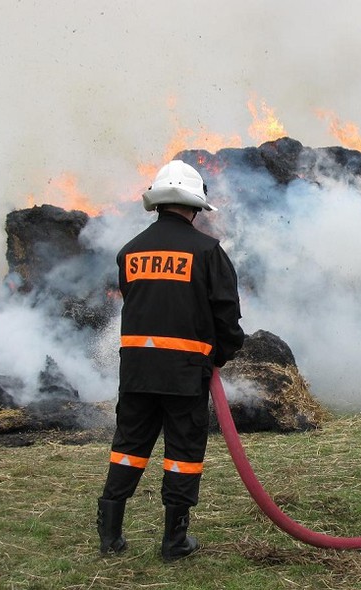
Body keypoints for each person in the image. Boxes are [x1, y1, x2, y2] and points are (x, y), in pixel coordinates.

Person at [97, 159, 245, 561]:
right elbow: (227, 316)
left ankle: (109, 535)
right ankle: (174, 541)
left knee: (128, 447)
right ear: (195, 206)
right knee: (182, 453)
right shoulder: (208, 251)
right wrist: (222, 354)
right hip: (184, 375)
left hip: (136, 372)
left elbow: (138, 303)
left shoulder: (130, 252)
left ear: (158, 203)